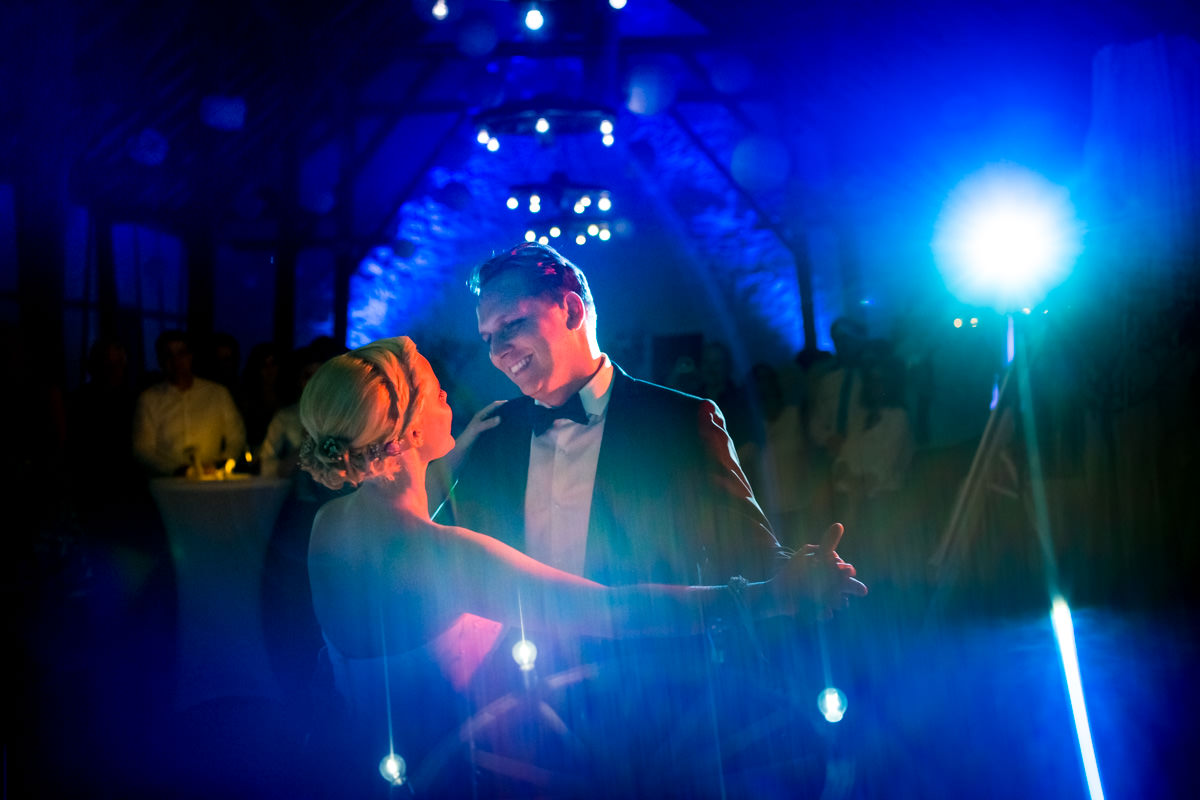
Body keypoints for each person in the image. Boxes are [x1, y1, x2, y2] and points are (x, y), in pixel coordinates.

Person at [298, 335, 865, 795]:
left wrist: (450, 455)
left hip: (365, 765)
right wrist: (766, 593)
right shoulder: (443, 554)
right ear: (409, 435)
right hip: (455, 778)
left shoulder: (333, 525)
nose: (449, 394)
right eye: (434, 390)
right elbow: (615, 609)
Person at [437, 242, 784, 589]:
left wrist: (807, 573)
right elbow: (446, 562)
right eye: (488, 338)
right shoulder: (493, 432)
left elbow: (752, 557)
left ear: (572, 311)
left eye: (510, 324)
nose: (497, 352)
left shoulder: (679, 422)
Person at [132, 330, 248, 477]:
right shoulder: (149, 400)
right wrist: (179, 470)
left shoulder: (217, 394)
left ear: (191, 356)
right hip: (168, 486)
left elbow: (236, 436)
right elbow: (143, 450)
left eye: (181, 353)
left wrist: (222, 463)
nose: (176, 362)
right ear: (160, 360)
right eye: (169, 355)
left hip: (211, 482)